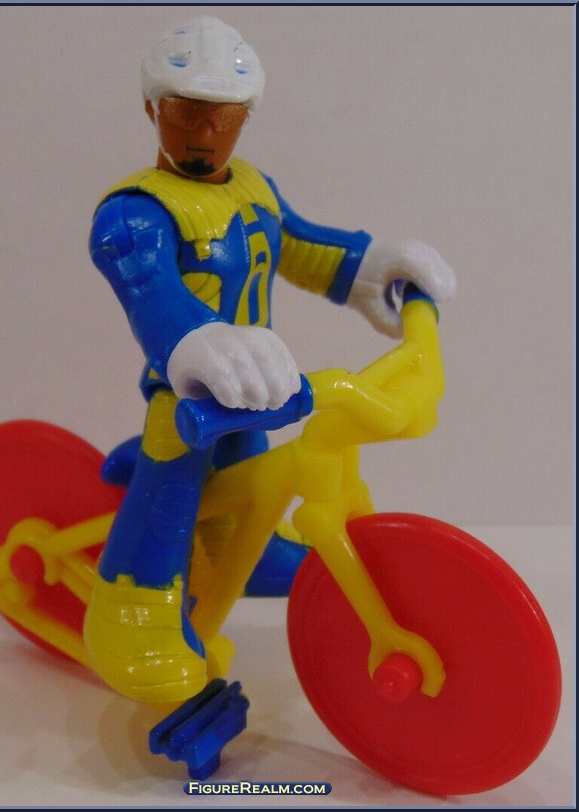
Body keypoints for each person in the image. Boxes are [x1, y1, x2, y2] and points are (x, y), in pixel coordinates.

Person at [84, 16, 456, 705]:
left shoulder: (253, 188)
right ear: (152, 109)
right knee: (173, 478)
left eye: (223, 119)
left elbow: (302, 246)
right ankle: (131, 615)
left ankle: (244, 554)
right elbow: (151, 291)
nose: (205, 133)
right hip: (189, 395)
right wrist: (195, 342)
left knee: (251, 476)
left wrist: (373, 266)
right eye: (187, 115)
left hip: (254, 390)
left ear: (245, 117)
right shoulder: (135, 214)